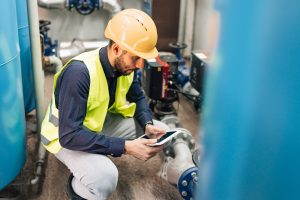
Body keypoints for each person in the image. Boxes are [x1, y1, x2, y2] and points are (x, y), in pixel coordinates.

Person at [40, 9, 169, 200]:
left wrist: (147, 123)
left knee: (162, 129)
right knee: (104, 178)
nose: (140, 65)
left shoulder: (126, 67)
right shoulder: (79, 73)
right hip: (64, 135)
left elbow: (138, 97)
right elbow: (69, 135)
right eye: (136, 57)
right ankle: (78, 188)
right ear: (117, 48)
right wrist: (125, 146)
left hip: (96, 125)